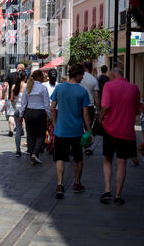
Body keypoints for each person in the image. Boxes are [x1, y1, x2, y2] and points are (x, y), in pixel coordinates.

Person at [99, 67, 140, 206]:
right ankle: (118, 195)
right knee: (122, 163)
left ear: (112, 75)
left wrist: (100, 118)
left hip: (110, 130)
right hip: (127, 132)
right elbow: (136, 111)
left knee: (107, 160)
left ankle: (107, 191)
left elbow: (106, 106)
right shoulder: (134, 88)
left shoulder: (108, 86)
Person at [50, 64, 91, 199]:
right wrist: (89, 130)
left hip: (61, 130)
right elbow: (85, 113)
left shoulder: (59, 88)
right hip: (76, 131)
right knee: (78, 158)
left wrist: (55, 124)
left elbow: (52, 107)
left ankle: (60, 184)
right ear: (77, 75)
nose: (83, 77)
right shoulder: (82, 92)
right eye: (82, 75)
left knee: (60, 158)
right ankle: (77, 183)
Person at [19, 70, 50, 166]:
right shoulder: (43, 88)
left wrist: (21, 115)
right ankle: (35, 154)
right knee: (41, 135)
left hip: (29, 112)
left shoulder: (28, 87)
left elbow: (23, 103)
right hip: (40, 113)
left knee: (31, 135)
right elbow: (46, 105)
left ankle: (32, 157)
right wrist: (50, 116)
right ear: (40, 77)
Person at [80, 61, 100, 155]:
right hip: (89, 105)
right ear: (91, 68)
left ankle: (75, 146)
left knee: (78, 126)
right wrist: (98, 109)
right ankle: (87, 148)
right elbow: (96, 96)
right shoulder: (94, 80)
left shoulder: (80, 77)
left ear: (84, 67)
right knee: (88, 128)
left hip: (79, 105)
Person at [2, 63, 25, 137]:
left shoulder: (10, 75)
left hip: (11, 98)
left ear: (16, 68)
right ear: (23, 69)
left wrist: (3, 94)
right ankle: (22, 129)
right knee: (22, 115)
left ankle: (11, 131)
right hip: (22, 98)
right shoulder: (24, 76)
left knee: (11, 115)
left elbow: (5, 86)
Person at [11, 70, 27, 157]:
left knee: (18, 130)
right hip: (25, 110)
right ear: (25, 77)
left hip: (17, 109)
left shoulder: (14, 86)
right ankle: (29, 149)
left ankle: (18, 150)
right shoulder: (26, 86)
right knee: (28, 130)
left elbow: (12, 99)